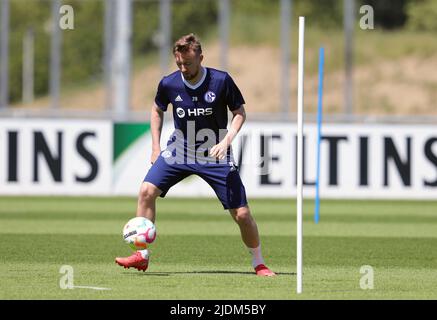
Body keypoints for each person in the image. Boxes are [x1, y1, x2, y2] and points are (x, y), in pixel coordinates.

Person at [115, 33, 275, 276]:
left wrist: (226, 140)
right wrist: (156, 147)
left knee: (242, 214)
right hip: (179, 150)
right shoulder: (169, 83)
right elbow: (157, 110)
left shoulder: (221, 81)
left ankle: (259, 262)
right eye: (178, 63)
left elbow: (239, 112)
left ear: (201, 57)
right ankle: (141, 255)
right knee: (146, 191)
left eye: (187, 63)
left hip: (214, 153)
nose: (183, 68)